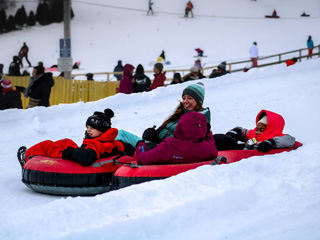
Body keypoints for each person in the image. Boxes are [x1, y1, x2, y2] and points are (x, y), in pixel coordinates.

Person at [17, 108, 135, 168]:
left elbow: (86, 157)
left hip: (71, 156)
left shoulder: (97, 144)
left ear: (102, 130)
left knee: (48, 145)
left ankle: (27, 157)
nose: (88, 130)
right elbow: (127, 147)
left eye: (92, 128)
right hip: (83, 150)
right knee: (66, 141)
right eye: (87, 127)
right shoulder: (109, 141)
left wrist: (68, 152)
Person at [115, 82, 211, 150]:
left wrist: (160, 133)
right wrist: (153, 133)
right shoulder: (182, 113)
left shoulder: (198, 119)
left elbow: (181, 142)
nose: (185, 101)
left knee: (122, 136)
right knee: (119, 133)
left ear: (199, 101)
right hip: (157, 144)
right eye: (184, 98)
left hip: (161, 149)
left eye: (189, 98)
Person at [136, 111, 218, 165]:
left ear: (180, 126)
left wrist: (141, 144)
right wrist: (207, 133)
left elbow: (142, 158)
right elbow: (210, 140)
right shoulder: (208, 148)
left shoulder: (170, 145)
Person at [213, 110, 296, 152]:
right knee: (222, 139)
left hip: (245, 151)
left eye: (261, 130)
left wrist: (271, 142)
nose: (257, 132)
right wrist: (236, 132)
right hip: (242, 148)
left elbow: (290, 140)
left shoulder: (275, 135)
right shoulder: (255, 136)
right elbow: (245, 132)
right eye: (257, 128)